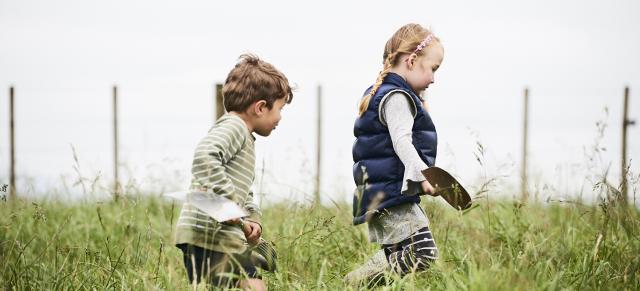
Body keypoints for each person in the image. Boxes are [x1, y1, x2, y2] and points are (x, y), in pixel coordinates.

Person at [174, 54, 293, 290]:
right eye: (279, 109)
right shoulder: (234, 127)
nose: (280, 117)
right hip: (211, 235)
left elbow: (243, 191)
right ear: (260, 107)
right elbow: (204, 156)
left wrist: (251, 219)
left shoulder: (244, 137)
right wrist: (228, 204)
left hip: (218, 236)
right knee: (254, 286)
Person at [349, 23, 445, 283]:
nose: (434, 78)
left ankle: (360, 281)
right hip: (391, 194)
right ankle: (356, 282)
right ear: (412, 60)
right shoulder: (396, 97)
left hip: (381, 193)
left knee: (401, 257)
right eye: (433, 68)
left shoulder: (381, 93)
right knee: (423, 253)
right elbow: (402, 141)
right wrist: (423, 175)